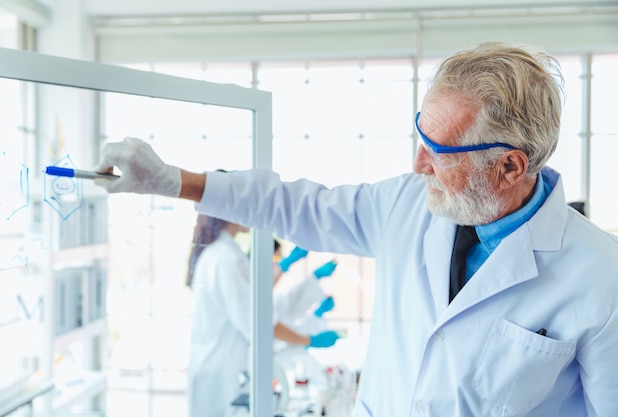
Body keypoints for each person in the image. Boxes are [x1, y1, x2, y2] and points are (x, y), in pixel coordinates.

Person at [94, 41, 618, 416]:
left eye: (441, 151)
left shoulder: (600, 274)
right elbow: (298, 205)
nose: (418, 165)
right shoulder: (407, 204)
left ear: (509, 167)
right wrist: (173, 182)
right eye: (421, 135)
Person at [184, 213, 340, 417]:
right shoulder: (227, 260)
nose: (251, 215)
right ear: (228, 211)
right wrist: (310, 339)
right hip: (222, 375)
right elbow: (258, 323)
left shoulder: (225, 254)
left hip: (218, 368)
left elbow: (263, 304)